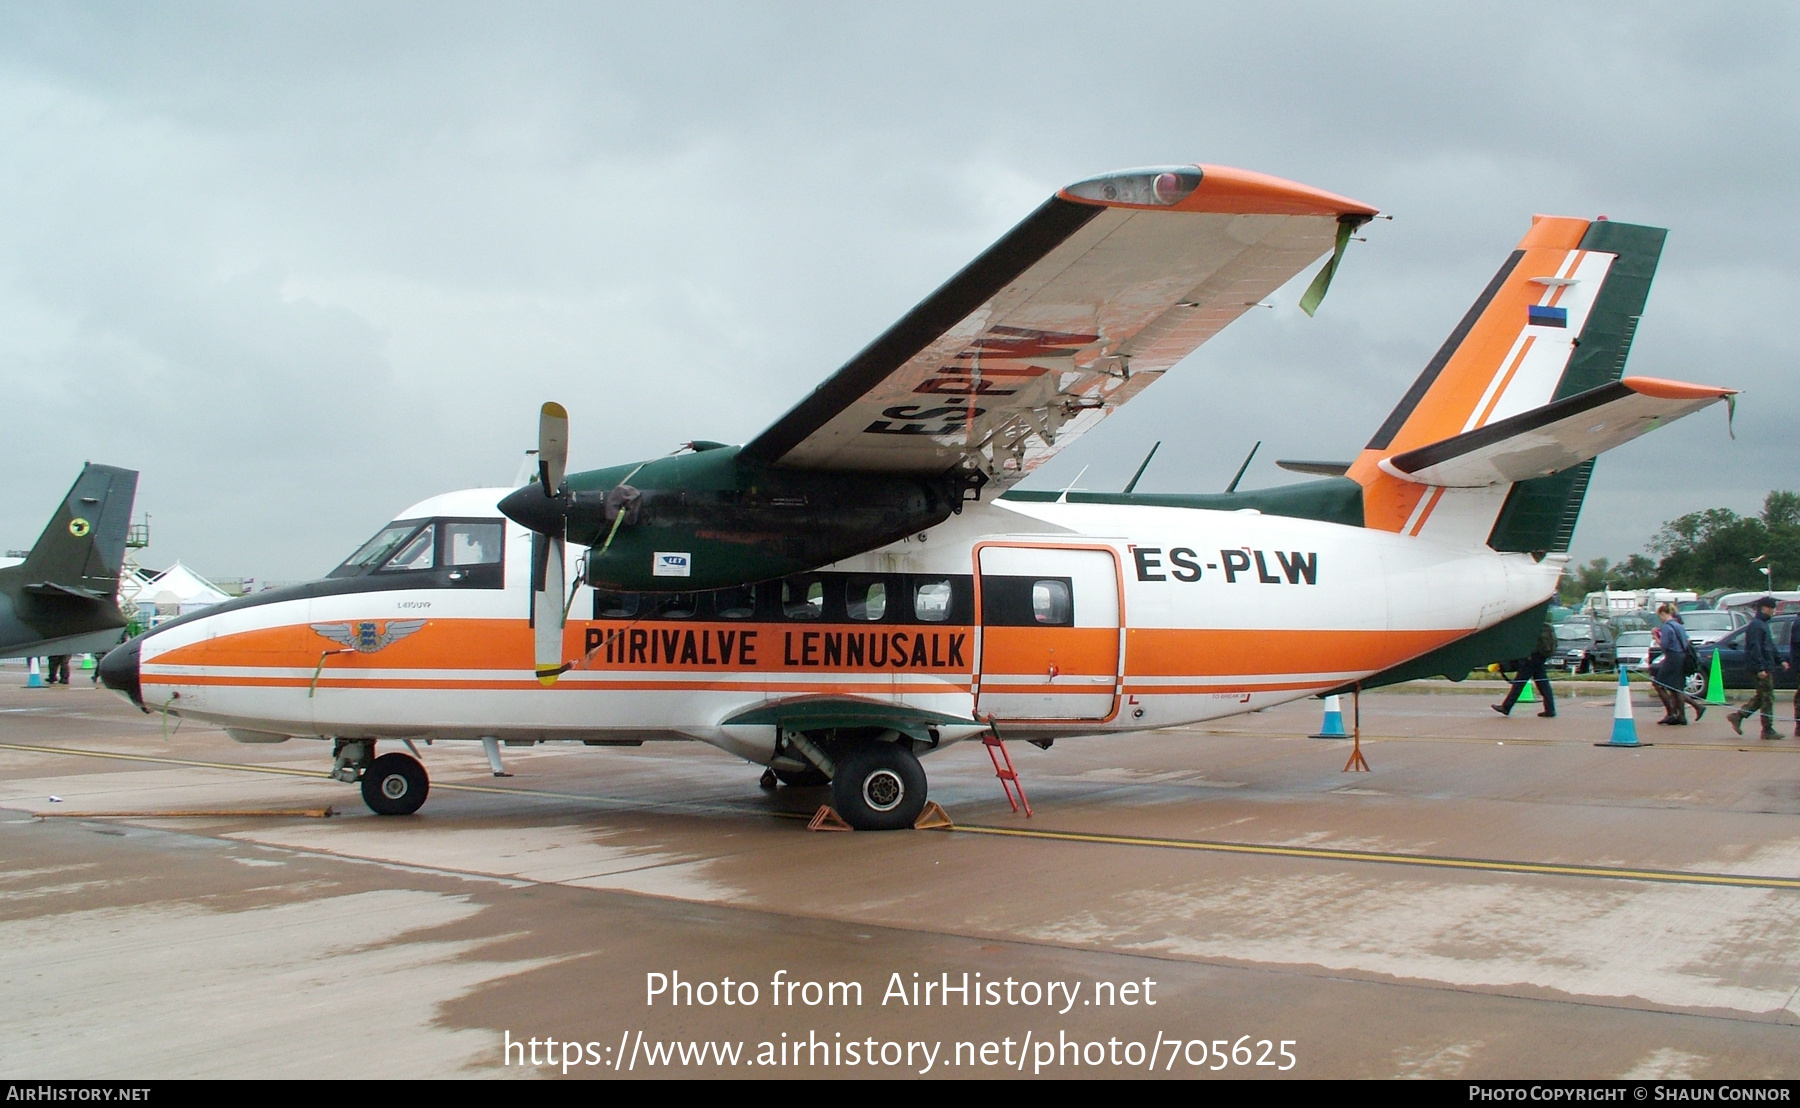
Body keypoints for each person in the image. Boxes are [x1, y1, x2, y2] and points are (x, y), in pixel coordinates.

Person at [1729, 597, 1789, 740]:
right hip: (1760, 668)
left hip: (1766, 666)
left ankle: (1738, 716)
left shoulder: (1762, 624)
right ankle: (1767, 729)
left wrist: (1780, 661)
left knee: (1762, 696)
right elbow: (1755, 648)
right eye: (1772, 608)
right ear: (1764, 608)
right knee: (1767, 697)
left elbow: (1769, 646)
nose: (1773, 611)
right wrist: (1760, 668)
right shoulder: (1756, 625)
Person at [1650, 604, 1704, 725]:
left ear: (1663, 614)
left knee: (1658, 684)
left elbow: (1664, 645)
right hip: (1681, 656)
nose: (1661, 619)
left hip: (1672, 657)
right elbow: (1686, 641)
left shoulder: (1667, 627)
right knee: (1676, 687)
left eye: (1660, 616)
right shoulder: (1678, 626)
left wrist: (1655, 636)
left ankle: (1671, 713)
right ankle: (1683, 715)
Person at [1494, 618, 1557, 718]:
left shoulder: (1530, 626)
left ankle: (1506, 707)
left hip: (1532, 657)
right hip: (1539, 656)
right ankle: (1550, 709)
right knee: (1542, 683)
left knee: (1519, 682)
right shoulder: (1540, 624)